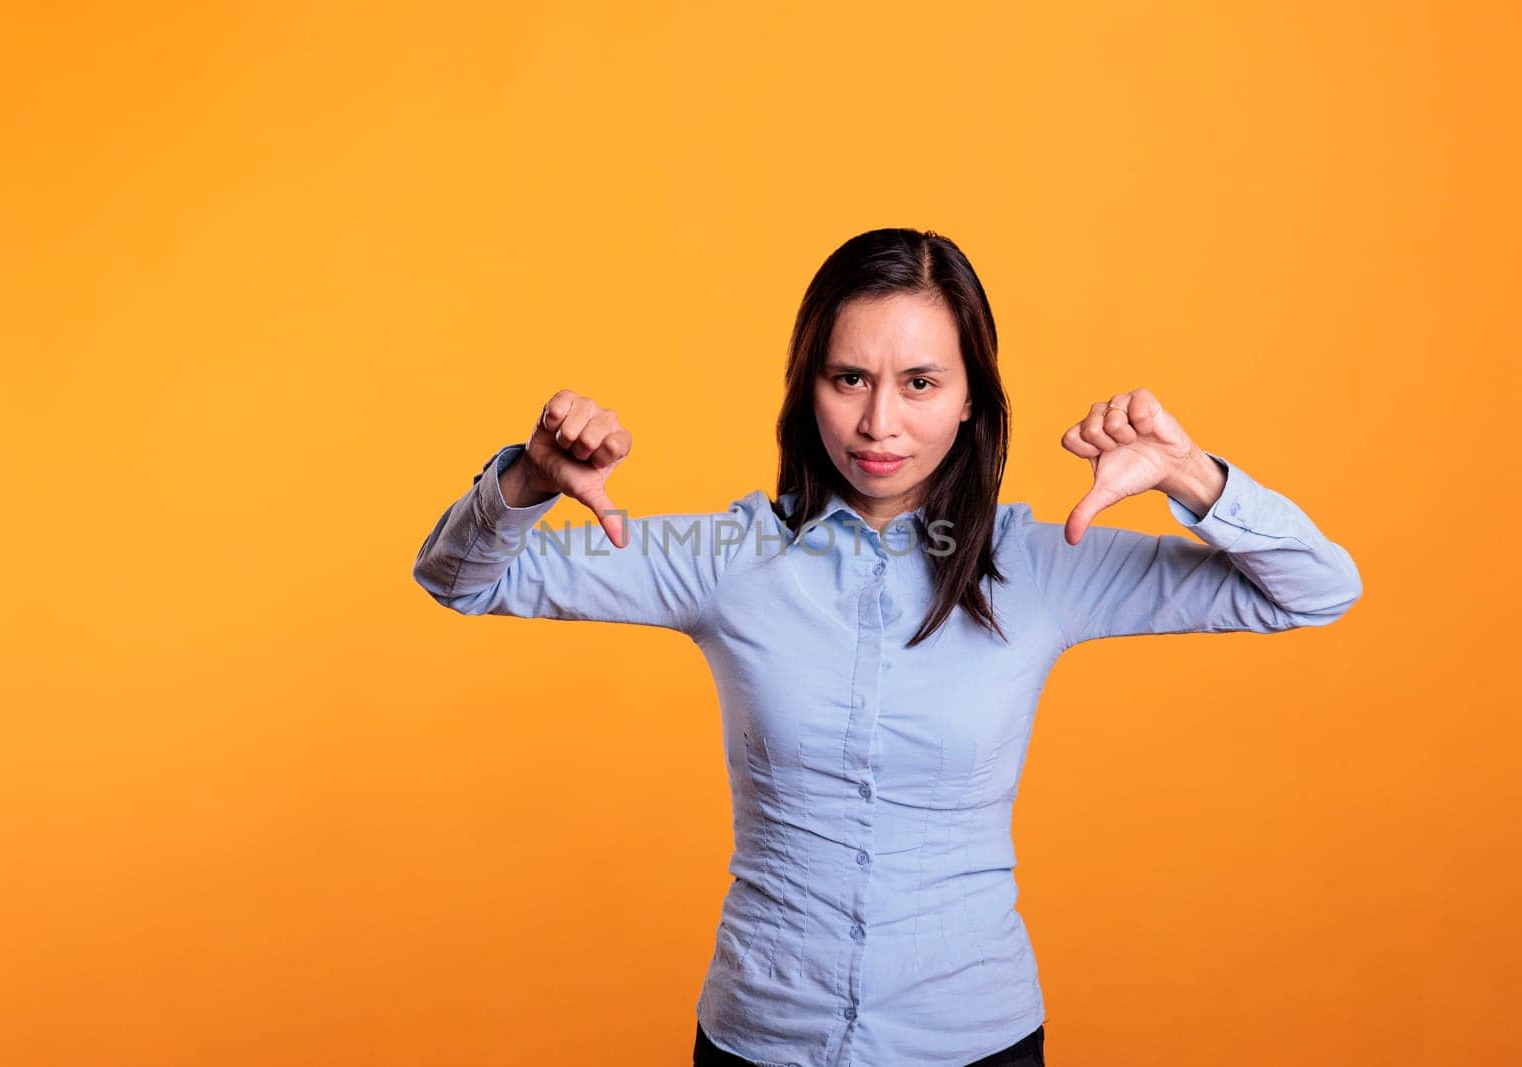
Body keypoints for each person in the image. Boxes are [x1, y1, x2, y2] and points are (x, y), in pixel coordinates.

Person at [411, 228, 1363, 1067]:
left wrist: (1192, 476)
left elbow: (1317, 591)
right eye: (849, 378)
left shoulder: (1041, 563)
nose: (879, 423)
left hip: (975, 1039)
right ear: (808, 387)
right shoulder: (726, 557)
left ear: (969, 402)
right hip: (760, 1038)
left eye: (920, 382)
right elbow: (458, 578)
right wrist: (528, 479)